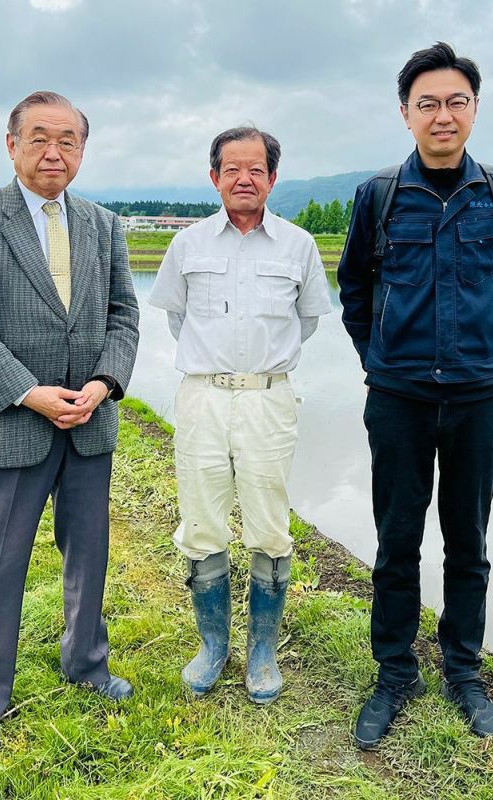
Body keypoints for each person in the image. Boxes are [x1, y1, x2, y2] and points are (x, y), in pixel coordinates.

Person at [338, 43, 493, 748]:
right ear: (405, 114)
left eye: (455, 101)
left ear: (474, 110)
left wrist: (478, 353)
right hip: (397, 397)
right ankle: (393, 673)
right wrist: (382, 357)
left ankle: (463, 671)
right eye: (428, 103)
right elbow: (354, 290)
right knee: (397, 541)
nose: (442, 114)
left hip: (478, 397)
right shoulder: (380, 194)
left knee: (469, 543)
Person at [0, 91, 140, 758]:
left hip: (87, 423)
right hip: (11, 423)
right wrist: (30, 394)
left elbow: (123, 316)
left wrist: (102, 384)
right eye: (39, 139)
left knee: (89, 554)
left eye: (67, 141)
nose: (53, 152)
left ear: (82, 150)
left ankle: (86, 662)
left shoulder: (104, 224)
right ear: (12, 145)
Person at [148, 126, 331, 705]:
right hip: (202, 395)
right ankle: (212, 647)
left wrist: (255, 370)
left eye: (256, 169)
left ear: (272, 178)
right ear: (214, 177)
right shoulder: (188, 245)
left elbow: (306, 321)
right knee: (201, 521)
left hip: (269, 398)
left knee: (269, 525)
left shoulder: (298, 245)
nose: (244, 179)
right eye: (232, 169)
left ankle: (262, 652)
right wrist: (219, 367)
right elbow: (177, 319)